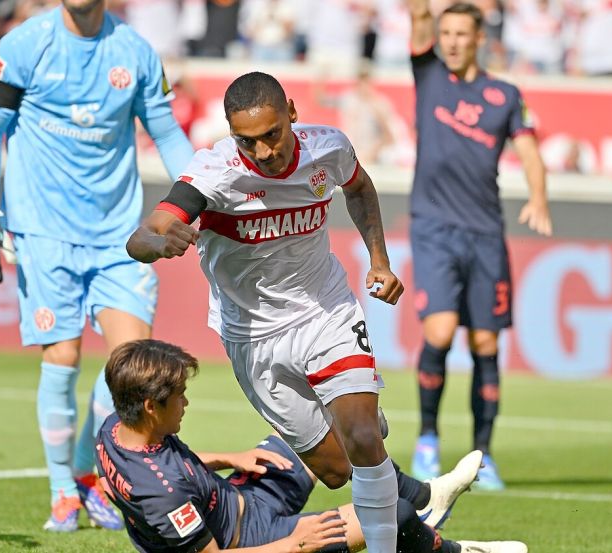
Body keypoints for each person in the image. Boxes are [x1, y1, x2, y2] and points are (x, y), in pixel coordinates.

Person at [126, 71, 405, 552]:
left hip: (325, 311)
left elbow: (359, 188)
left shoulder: (328, 148)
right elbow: (143, 235)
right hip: (253, 336)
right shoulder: (214, 175)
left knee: (361, 436)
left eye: (272, 135)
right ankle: (359, 426)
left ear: (292, 113)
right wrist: (159, 240)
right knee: (338, 471)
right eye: (247, 141)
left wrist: (379, 259)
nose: (263, 152)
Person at [0, 0, 194, 532]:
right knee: (63, 356)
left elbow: (166, 133)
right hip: (43, 231)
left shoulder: (135, 51)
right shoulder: (25, 45)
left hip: (119, 235)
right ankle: (61, 492)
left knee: (130, 362)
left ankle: (91, 476)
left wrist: (204, 197)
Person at [97, 338, 529, 553]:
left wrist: (227, 458)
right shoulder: (163, 492)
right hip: (256, 539)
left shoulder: (117, 426)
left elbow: (146, 475)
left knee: (322, 429)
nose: (186, 402)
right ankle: (456, 550)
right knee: (389, 516)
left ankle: (426, 496)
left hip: (241, 493)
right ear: (152, 406)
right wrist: (293, 544)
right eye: (179, 397)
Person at [406, 0, 553, 490]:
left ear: (478, 39)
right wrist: (420, 14)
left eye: (460, 34)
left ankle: (483, 454)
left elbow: (529, 150)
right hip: (433, 229)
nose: (450, 41)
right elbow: (418, 23)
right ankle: (427, 438)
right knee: (441, 331)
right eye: (445, 32)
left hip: (485, 234)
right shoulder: (427, 75)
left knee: (486, 343)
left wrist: (538, 197)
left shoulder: (505, 95)